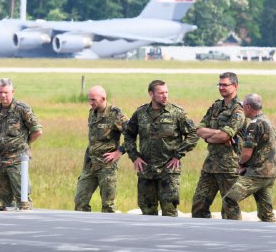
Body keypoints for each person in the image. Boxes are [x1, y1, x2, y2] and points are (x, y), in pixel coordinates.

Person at [123, 80, 198, 216]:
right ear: (151, 94)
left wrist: (178, 155)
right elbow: (128, 134)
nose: (165, 96)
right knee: (147, 212)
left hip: (168, 171)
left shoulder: (177, 113)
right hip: (146, 170)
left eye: (166, 92)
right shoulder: (140, 113)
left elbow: (193, 134)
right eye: (161, 93)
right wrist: (135, 156)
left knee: (169, 212)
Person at [191, 72, 246, 219]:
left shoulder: (239, 110)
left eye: (225, 85)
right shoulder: (215, 106)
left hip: (229, 167)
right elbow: (198, 130)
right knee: (199, 205)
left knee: (229, 209)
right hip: (210, 165)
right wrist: (214, 136)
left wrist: (212, 136)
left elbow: (226, 135)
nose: (221, 87)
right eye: (219, 84)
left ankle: (231, 239)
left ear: (235, 86)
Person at [0, 78, 42, 210]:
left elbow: (37, 131)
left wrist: (24, 143)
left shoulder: (22, 109)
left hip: (17, 161)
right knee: (4, 198)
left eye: (6, 92)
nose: (3, 95)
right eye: (0, 92)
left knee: (23, 198)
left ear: (12, 91)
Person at [222, 93, 276, 221]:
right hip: (270, 174)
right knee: (266, 214)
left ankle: (236, 231)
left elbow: (247, 152)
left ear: (247, 107)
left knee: (230, 199)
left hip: (256, 174)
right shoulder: (267, 121)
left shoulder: (254, 124)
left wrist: (240, 164)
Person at [74, 85, 128, 213]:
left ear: (103, 98)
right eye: (89, 100)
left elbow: (131, 134)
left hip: (106, 166)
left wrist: (119, 151)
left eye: (93, 100)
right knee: (80, 201)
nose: (90, 103)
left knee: (108, 206)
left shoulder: (115, 114)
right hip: (90, 165)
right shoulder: (92, 112)